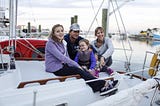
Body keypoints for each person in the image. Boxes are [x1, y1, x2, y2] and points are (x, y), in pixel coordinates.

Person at [45, 24, 118, 96]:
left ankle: (98, 86)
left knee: (83, 69)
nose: (60, 33)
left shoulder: (62, 42)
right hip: (54, 68)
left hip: (63, 64)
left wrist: (77, 65)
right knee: (78, 70)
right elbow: (61, 57)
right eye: (58, 31)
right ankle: (104, 84)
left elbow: (67, 56)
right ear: (53, 33)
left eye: (62, 31)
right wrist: (77, 66)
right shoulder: (50, 44)